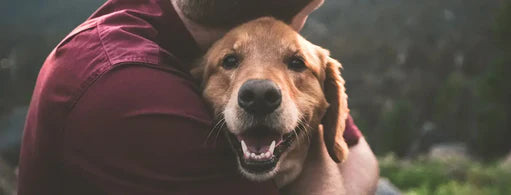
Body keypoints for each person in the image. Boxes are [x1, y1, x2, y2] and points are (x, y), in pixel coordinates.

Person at [17, 0, 379, 194]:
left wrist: (317, 131)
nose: (260, 88)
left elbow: (361, 157)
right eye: (231, 61)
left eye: (295, 62)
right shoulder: (124, 88)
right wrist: (313, 140)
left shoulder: (271, 51)